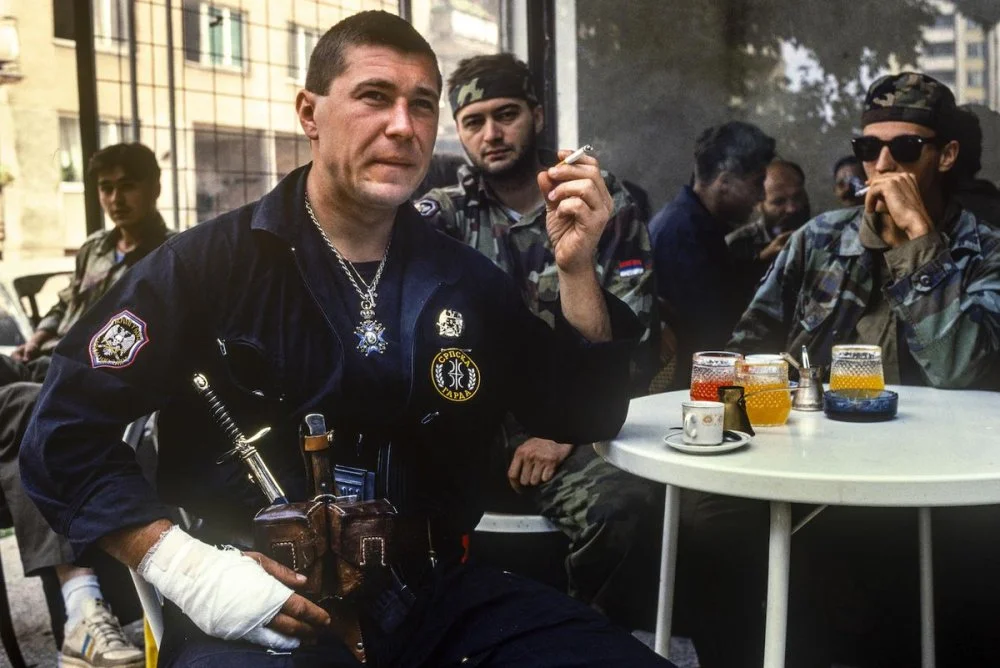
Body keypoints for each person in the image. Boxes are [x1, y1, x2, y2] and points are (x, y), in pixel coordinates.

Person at [20, 12, 673, 668]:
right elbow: (61, 431)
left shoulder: (465, 280)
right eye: (373, 97)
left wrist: (577, 266)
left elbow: (581, 411)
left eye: (422, 105)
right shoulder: (203, 268)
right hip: (259, 607)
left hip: (436, 600)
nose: (402, 125)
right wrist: (190, 571)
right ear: (310, 112)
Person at [718, 72, 1000, 667]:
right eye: (869, 149)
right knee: (705, 527)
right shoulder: (818, 240)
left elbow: (963, 371)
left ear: (946, 155)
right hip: (813, 468)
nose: (883, 164)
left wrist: (919, 242)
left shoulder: (986, 252)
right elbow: (747, 349)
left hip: (940, 479)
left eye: (906, 148)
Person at [414, 53, 661, 626]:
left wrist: (561, 431)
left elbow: (639, 341)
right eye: (473, 121)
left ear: (538, 115)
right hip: (468, 433)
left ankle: (590, 639)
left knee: (621, 505)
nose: (492, 134)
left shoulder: (602, 204)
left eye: (507, 114)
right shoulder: (439, 219)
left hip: (581, 434)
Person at [0, 142, 170, 668]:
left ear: (153, 188)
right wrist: (40, 334)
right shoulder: (96, 246)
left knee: (30, 414)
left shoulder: (170, 256)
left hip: (85, 383)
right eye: (106, 187)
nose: (116, 198)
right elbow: (64, 300)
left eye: (128, 185)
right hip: (44, 364)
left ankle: (82, 606)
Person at [648, 121, 775, 389]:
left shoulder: (694, 224)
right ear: (725, 182)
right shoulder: (683, 234)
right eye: (757, 183)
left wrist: (760, 263)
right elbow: (712, 333)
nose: (762, 195)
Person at [725, 159, 811, 289]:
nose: (792, 208)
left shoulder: (828, 235)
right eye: (779, 201)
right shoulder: (738, 245)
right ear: (758, 204)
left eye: (798, 196)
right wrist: (762, 260)